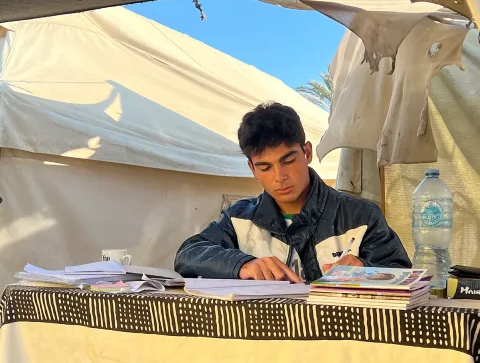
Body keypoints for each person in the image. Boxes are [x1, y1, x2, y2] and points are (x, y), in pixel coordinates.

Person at [174, 101, 411, 282]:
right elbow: (188, 255)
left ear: (307, 152)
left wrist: (366, 270)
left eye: (288, 161)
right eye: (265, 167)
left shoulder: (360, 215)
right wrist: (243, 264)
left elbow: (402, 274)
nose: (280, 176)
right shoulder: (238, 218)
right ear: (252, 169)